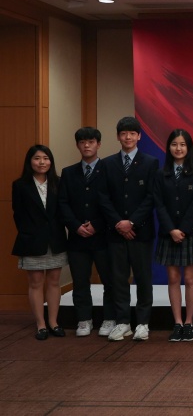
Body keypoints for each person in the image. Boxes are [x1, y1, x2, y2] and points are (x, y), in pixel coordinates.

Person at [101, 116, 159, 342]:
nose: (128, 137)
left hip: (141, 231)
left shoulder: (150, 162)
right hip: (115, 232)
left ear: (139, 136)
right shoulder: (107, 164)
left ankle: (143, 322)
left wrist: (131, 222)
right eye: (124, 133)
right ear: (118, 137)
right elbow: (103, 198)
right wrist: (119, 223)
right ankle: (123, 321)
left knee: (143, 277)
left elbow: (151, 197)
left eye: (132, 133)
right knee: (118, 278)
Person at [57, 127, 115, 337]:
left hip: (103, 236)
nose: (87, 145)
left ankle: (109, 318)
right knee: (80, 281)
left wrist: (97, 225)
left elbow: (113, 202)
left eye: (91, 142)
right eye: (82, 142)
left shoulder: (109, 169)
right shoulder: (68, 172)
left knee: (109, 280)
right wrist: (75, 226)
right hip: (77, 237)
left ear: (98, 144)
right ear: (77, 145)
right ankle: (84, 319)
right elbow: (62, 203)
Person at [154, 129, 193, 342]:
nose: (178, 148)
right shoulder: (161, 173)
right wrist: (171, 229)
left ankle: (189, 322)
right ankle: (176, 322)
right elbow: (159, 203)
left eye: (183, 144)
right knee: (173, 278)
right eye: (175, 144)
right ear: (169, 147)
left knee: (190, 278)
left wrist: (182, 229)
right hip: (169, 233)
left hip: (191, 233)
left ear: (189, 148)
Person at [11, 145, 68, 340]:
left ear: (51, 161)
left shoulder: (59, 183)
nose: (42, 162)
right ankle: (40, 324)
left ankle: (53, 322)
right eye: (37, 158)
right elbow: (18, 215)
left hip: (56, 239)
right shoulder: (20, 185)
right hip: (32, 240)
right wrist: (30, 233)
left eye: (45, 158)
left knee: (54, 282)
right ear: (30, 162)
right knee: (35, 283)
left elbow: (63, 211)